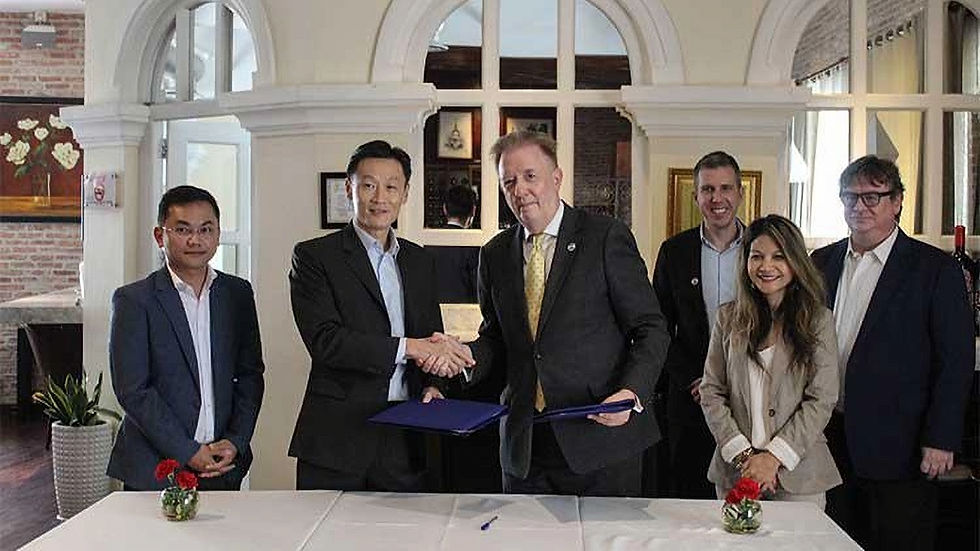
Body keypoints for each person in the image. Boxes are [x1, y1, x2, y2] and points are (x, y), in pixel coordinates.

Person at [457, 130, 669, 497]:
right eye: (508, 181)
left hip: (600, 440)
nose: (519, 190)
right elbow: (496, 337)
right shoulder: (493, 254)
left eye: (529, 176)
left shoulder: (605, 237)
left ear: (556, 178)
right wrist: (463, 357)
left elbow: (651, 328)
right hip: (525, 446)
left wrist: (630, 392)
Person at [287, 140, 473, 491]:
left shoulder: (420, 261)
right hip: (337, 438)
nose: (380, 197)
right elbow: (327, 342)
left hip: (407, 435)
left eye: (391, 187)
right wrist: (411, 348)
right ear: (349, 188)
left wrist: (435, 382)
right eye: (369, 185)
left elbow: (430, 337)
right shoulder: (315, 257)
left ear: (405, 194)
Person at [811, 156, 974, 550]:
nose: (859, 207)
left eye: (872, 197)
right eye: (850, 197)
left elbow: (955, 362)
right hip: (829, 438)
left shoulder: (933, 269)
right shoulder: (821, 263)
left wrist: (942, 438)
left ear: (897, 201)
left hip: (902, 446)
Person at [108, 185, 265, 491]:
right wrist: (187, 451)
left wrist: (236, 440)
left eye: (206, 229)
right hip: (154, 468)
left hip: (223, 464)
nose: (196, 240)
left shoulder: (238, 294)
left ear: (217, 234)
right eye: (182, 230)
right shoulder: (134, 300)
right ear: (159, 236)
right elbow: (133, 391)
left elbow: (250, 375)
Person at [700, 214, 841, 508]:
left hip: (800, 475)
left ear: (795, 262)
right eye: (757, 256)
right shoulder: (728, 317)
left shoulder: (818, 320)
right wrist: (744, 456)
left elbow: (822, 398)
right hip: (736, 473)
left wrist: (773, 458)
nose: (766, 266)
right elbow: (711, 392)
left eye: (779, 256)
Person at [652, 150, 745, 499]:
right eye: (707, 190)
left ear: (739, 192)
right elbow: (657, 325)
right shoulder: (674, 251)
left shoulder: (763, 249)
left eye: (725, 189)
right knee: (689, 498)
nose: (716, 199)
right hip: (689, 399)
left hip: (749, 401)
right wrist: (698, 379)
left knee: (742, 497)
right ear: (696, 196)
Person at [430, 184, 480, 303]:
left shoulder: (429, 242)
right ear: (473, 210)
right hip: (466, 316)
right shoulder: (475, 246)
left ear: (444, 209)